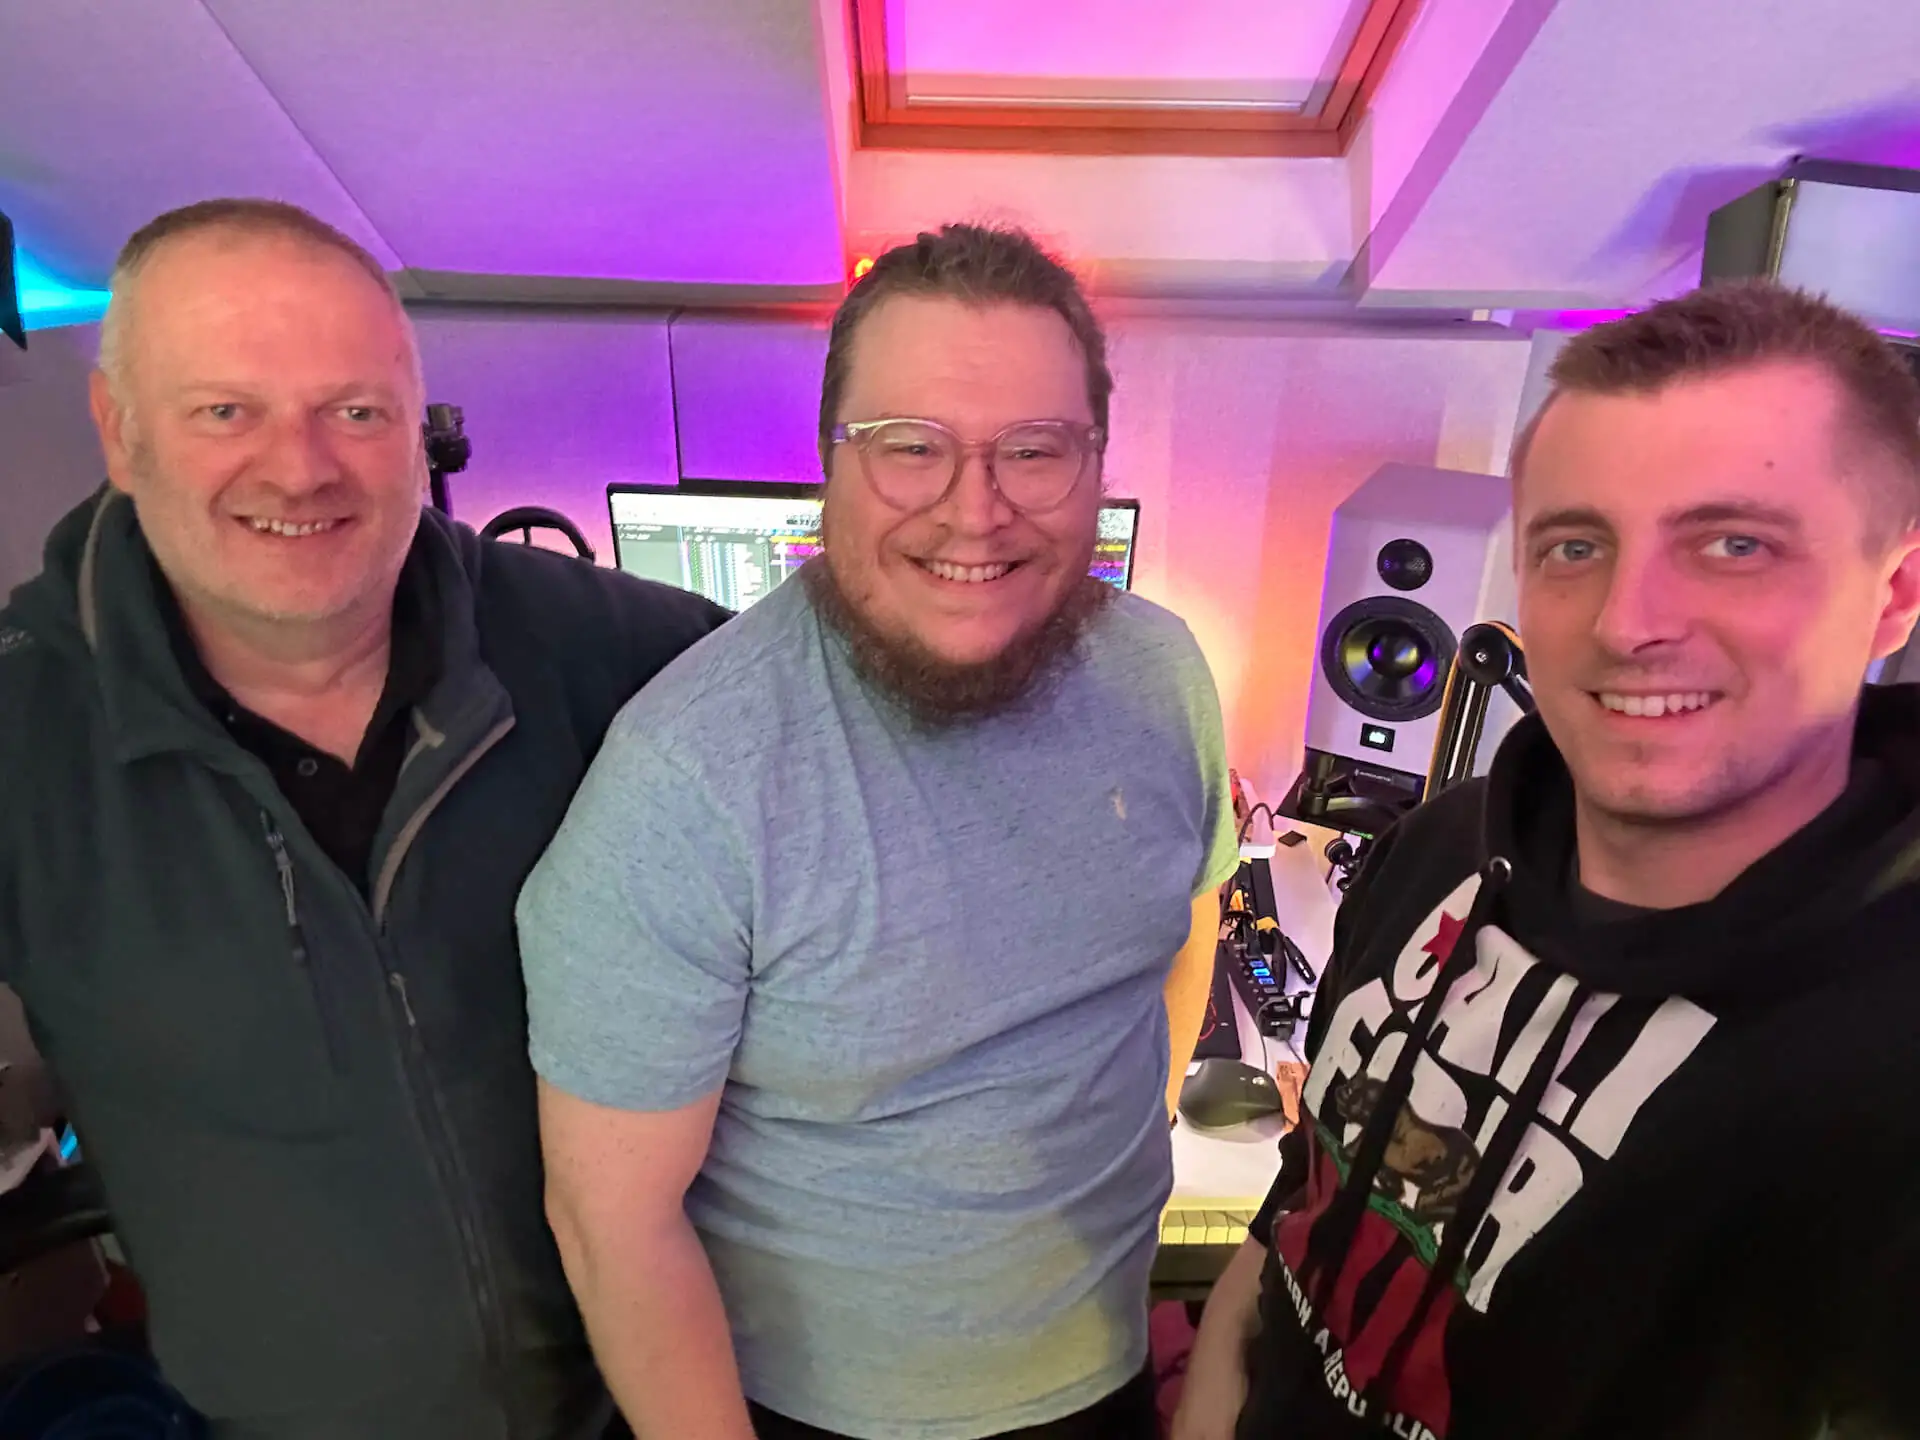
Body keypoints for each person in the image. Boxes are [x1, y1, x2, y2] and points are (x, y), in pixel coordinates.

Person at [0, 199, 728, 1438]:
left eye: (355, 411)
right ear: (120, 435)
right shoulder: (22, 737)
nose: (301, 466)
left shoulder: (623, 654)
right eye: (226, 410)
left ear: (415, 433)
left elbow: (879, 695)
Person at [518, 223, 1238, 1440]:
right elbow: (610, 1223)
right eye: (912, 448)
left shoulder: (1163, 672)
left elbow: (1191, 911)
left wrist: (1137, 1133)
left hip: (1106, 1370)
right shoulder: (688, 777)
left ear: (1096, 462)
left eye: (1034, 449)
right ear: (829, 461)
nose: (977, 511)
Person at [1173, 280, 1920, 1440]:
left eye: (1733, 543)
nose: (1629, 620)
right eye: (1577, 544)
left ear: (1896, 594)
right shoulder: (1439, 850)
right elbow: (1287, 1255)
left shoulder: (1882, 1071)